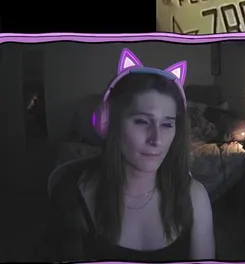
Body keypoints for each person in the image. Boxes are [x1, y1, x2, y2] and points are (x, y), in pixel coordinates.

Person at [44, 52, 215, 262]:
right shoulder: (70, 196)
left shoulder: (195, 196)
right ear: (107, 123)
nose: (157, 139)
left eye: (167, 124)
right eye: (142, 121)